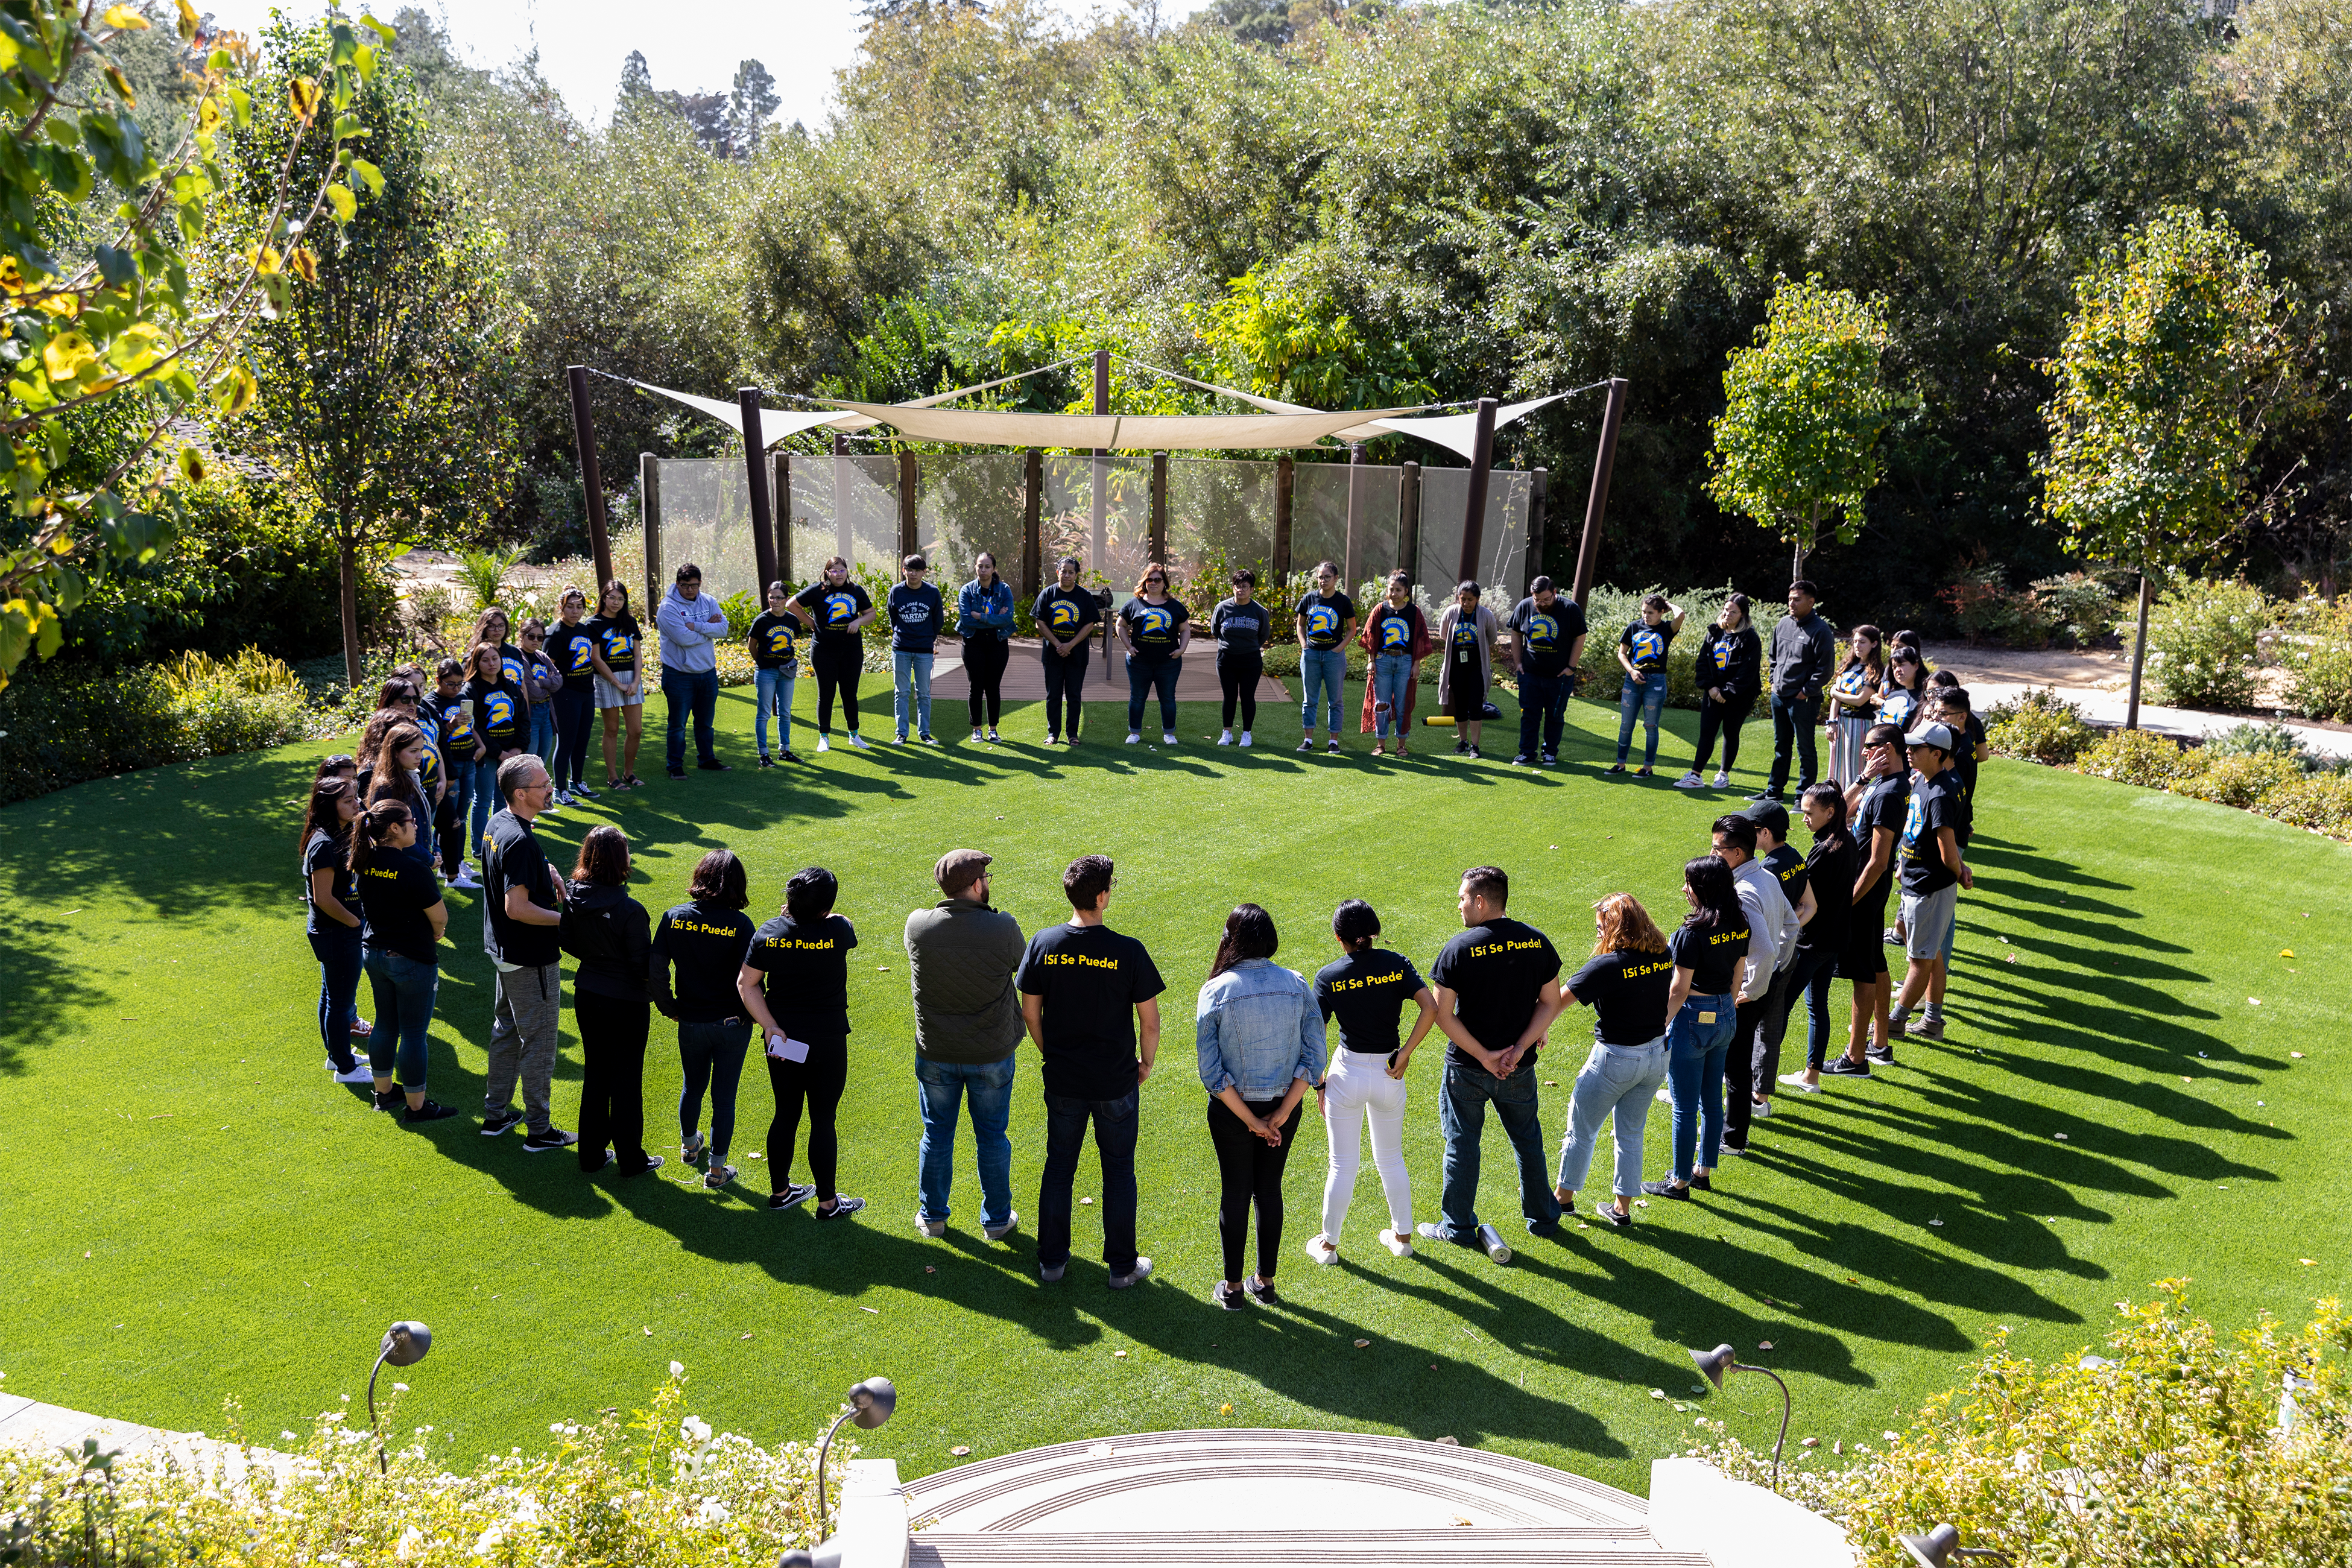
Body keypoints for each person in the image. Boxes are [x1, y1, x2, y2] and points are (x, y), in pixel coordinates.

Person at [1017, 853, 1164, 1288]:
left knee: (1059, 1166)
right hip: (1116, 1080)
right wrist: (1146, 1064)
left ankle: (1052, 1263)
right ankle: (1122, 1268)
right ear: (1101, 897)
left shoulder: (1043, 943)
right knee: (1119, 1170)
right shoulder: (1128, 950)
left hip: (1064, 1078)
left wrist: (1051, 1052)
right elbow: (1150, 1022)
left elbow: (1030, 1013)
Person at [1418, 866, 1567, 1259]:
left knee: (1461, 1145)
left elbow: (1442, 1015)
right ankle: (1543, 1219)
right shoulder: (1537, 943)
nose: (1459, 904)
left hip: (1467, 1070)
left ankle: (1458, 1227)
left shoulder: (1457, 949)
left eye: (1463, 898)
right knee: (1528, 1141)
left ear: (1481, 901)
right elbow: (1550, 1003)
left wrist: (1484, 1056)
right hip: (1519, 1068)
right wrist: (1519, 1049)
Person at [1195, 903, 1324, 1308]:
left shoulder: (1216, 990)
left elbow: (1211, 1073)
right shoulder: (1296, 983)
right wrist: (1280, 1116)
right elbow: (1315, 1057)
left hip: (1233, 1113)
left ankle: (1233, 1289)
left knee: (1235, 1193)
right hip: (1285, 1106)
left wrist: (1251, 1120)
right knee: (1268, 1191)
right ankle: (1265, 1282)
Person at [906, 849, 1026, 1241]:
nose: (988, 885)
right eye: (986, 880)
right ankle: (996, 1220)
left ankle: (934, 1217)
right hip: (991, 1054)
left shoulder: (918, 925)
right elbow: (1022, 969)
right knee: (992, 1136)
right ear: (976, 885)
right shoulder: (1003, 927)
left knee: (936, 1135)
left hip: (936, 1053)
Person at [1307, 899, 1435, 1263]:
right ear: (1374, 932)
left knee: (1341, 1163)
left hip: (1346, 1075)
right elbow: (1431, 1007)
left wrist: (1319, 1084)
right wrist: (1406, 1052)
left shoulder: (1329, 976)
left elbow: (1314, 1035)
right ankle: (1403, 1239)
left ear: (1338, 937)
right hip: (1389, 1073)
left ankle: (1328, 1246)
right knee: (1392, 1158)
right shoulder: (1396, 964)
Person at [739, 866, 865, 1218]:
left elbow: (746, 984)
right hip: (827, 1040)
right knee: (823, 1118)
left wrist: (768, 1025)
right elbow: (843, 920)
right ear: (825, 907)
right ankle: (828, 1203)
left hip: (783, 1040)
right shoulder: (838, 930)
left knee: (786, 1113)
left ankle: (780, 1193)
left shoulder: (768, 933)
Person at [1551, 893, 1675, 1228]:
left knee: (1581, 1131)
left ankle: (1563, 1200)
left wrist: (1535, 1032)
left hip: (1616, 1059)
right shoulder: (1663, 954)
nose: (1596, 934)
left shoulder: (1608, 966)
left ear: (1616, 928)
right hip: (1656, 1056)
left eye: (1600, 928)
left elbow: (1555, 1003)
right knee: (1632, 1133)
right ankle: (1622, 1209)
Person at [479, 753, 577, 1152]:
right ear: (521, 793)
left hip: (501, 950)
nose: (551, 788)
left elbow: (516, 868)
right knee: (539, 1042)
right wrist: (567, 922)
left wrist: (547, 867)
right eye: (543, 785)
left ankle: (495, 1114)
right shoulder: (519, 840)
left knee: (506, 1031)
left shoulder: (499, 822)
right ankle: (539, 1129)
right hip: (528, 957)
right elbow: (517, 908)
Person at [1640, 855, 1750, 1201]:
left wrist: (1660, 1026)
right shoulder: (1740, 922)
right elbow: (1738, 974)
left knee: (1684, 1106)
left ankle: (1679, 1182)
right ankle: (1703, 1171)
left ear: (1704, 888)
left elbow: (1678, 989)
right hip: (1726, 1015)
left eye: (1689, 883)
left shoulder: (1691, 933)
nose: (1684, 889)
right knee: (1711, 1101)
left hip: (1692, 1017)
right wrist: (1725, 1010)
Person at [560, 824, 663, 1177]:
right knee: (626, 1080)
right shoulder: (631, 909)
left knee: (597, 1075)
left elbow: (566, 940)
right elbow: (640, 965)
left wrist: (596, 958)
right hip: (626, 1003)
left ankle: (590, 1156)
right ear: (621, 860)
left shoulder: (573, 895)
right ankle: (631, 1160)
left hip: (588, 994)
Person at [654, 849, 759, 1188]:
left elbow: (656, 970)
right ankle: (716, 1172)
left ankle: (688, 1147)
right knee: (724, 1097)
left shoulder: (674, 917)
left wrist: (668, 1006)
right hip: (732, 1025)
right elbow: (754, 980)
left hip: (691, 1021)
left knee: (692, 1086)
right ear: (737, 885)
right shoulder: (741, 925)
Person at [351, 799, 456, 1121]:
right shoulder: (413, 868)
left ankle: (384, 1095)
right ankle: (417, 1107)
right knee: (413, 1033)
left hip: (375, 955)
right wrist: (436, 932)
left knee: (385, 1023)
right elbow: (440, 917)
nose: (415, 826)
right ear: (395, 828)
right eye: (411, 821)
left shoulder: (363, 862)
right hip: (411, 958)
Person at [1711, 814, 1796, 1159]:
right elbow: (1791, 925)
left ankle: (1733, 1139)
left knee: (1735, 1065)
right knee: (1737, 1062)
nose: (1713, 854)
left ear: (1737, 853)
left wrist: (1753, 987)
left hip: (1749, 991)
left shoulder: (1742, 892)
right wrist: (1778, 969)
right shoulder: (1766, 877)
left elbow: (1763, 946)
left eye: (1717, 848)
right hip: (1768, 981)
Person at [1887, 719, 1972, 1042]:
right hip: (1916, 879)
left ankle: (1896, 1022)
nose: (1908, 752)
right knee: (1931, 950)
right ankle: (1933, 1021)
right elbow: (1918, 833)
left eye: (1916, 748)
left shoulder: (1940, 793)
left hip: (1928, 886)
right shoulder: (1925, 779)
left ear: (1936, 753)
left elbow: (1947, 851)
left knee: (1919, 959)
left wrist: (1959, 871)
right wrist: (1903, 862)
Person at [1834, 722, 1911, 1073]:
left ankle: (1855, 1057)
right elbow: (1837, 812)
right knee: (1875, 961)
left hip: (1863, 894)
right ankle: (1879, 1044)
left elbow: (1879, 861)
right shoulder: (1881, 784)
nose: (1863, 751)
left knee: (1861, 972)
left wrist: (1847, 900)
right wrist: (1863, 778)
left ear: (1889, 749)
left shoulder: (1890, 793)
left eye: (1869, 746)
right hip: (1867, 893)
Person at [1777, 783, 1860, 1093]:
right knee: (1817, 1005)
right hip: (1835, 940)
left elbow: (1804, 896)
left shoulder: (1825, 850)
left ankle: (1759, 1080)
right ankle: (1811, 1076)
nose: (1803, 817)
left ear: (1830, 812)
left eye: (1809, 813)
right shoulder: (1847, 842)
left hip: (1812, 943)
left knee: (1779, 1007)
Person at [1740, 800, 1818, 1123]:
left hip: (1764, 963)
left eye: (1751, 830)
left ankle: (1735, 1093)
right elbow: (1810, 906)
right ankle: (1762, 1099)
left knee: (1741, 1032)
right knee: (1771, 1031)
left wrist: (1772, 950)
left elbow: (1769, 922)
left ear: (1765, 833)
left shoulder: (1765, 871)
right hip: (1788, 959)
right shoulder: (1797, 858)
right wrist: (1787, 943)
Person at [299, 776, 376, 1085]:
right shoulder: (323, 844)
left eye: (356, 797)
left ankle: (336, 1056)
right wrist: (356, 923)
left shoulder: (343, 833)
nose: (357, 803)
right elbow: (324, 898)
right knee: (340, 1002)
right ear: (329, 806)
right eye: (348, 800)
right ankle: (345, 1068)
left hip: (341, 930)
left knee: (332, 995)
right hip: (338, 932)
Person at [1760, 580, 1835, 803]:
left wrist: (1805, 691)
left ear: (1811, 602)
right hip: (1779, 696)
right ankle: (1774, 792)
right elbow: (1774, 657)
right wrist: (1774, 681)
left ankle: (1804, 797)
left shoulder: (1821, 630)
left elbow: (1825, 669)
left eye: (1797, 599)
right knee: (1781, 746)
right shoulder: (1783, 623)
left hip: (1803, 700)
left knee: (1805, 749)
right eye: (1790, 598)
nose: (1791, 603)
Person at [656, 561, 732, 779]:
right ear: (677, 583)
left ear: (700, 583)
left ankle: (707, 759)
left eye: (694, 585)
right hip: (679, 675)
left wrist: (697, 626)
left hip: (707, 673)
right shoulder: (668, 608)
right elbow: (683, 638)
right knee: (678, 724)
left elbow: (724, 629)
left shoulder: (709, 601)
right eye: (685, 585)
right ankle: (675, 766)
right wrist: (709, 628)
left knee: (705, 722)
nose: (690, 589)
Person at [792, 556, 876, 753]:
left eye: (842, 570)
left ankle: (854, 735)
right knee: (827, 694)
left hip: (852, 651)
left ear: (847, 571)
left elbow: (871, 614)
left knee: (850, 694)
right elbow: (791, 605)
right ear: (827, 573)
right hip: (824, 651)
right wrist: (811, 623)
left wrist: (858, 622)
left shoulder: (856, 591)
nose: (839, 574)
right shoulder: (817, 590)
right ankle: (824, 737)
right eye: (834, 571)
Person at [1678, 594, 1762, 789]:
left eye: (1733, 611)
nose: (1728, 614)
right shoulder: (1714, 632)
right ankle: (1695, 776)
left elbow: (1748, 671)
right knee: (1707, 732)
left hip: (1739, 696)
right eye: (1726, 610)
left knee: (1730, 733)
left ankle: (1723, 775)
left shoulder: (1750, 638)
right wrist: (1711, 687)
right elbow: (1702, 662)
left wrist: (1727, 692)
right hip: (1712, 692)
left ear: (1743, 615)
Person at [1509, 575, 1588, 768]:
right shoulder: (1525, 606)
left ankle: (1550, 752)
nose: (1542, 603)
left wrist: (1571, 667)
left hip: (1559, 676)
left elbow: (1580, 637)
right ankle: (1527, 753)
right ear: (1532, 595)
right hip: (1530, 674)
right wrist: (1518, 662)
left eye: (1546, 599)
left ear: (1555, 593)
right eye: (1538, 600)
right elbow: (1516, 633)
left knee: (1555, 715)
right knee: (1529, 714)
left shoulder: (1570, 609)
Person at [461, 642, 530, 855]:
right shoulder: (469, 689)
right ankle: (481, 848)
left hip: (512, 753)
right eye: (485, 660)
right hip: (487, 755)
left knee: (505, 799)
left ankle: (501, 842)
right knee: (483, 800)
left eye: (495, 659)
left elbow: (524, 719)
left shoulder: (511, 685)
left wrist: (519, 748)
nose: (491, 663)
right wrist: (499, 753)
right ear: (476, 663)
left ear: (501, 660)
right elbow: (471, 726)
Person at [1359, 571, 1432, 757]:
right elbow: (1371, 637)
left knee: (1402, 705)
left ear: (1406, 591)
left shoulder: (1414, 612)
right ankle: (1380, 744)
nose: (1394, 593)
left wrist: (1416, 664)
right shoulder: (1380, 610)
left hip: (1405, 661)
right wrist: (1371, 661)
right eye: (1391, 589)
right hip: (1383, 661)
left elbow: (1420, 639)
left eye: (1399, 590)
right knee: (1382, 704)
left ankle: (1401, 744)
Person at [1610, 593, 1684, 775]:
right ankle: (1620, 764)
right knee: (1626, 725)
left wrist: (1668, 605)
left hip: (1656, 683)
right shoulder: (1634, 627)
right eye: (1644, 611)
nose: (1646, 616)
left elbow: (1681, 615)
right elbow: (1622, 654)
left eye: (1651, 612)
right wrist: (1632, 671)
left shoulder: (1667, 628)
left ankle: (1647, 767)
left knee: (1650, 726)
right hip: (1632, 680)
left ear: (1661, 612)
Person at [1117, 564, 1190, 745]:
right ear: (1144, 582)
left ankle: (1169, 734)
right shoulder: (1134, 603)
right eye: (1150, 580)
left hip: (1169, 662)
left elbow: (1185, 629)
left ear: (1165, 583)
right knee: (1137, 697)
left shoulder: (1175, 606)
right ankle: (1134, 733)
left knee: (1167, 698)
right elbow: (1120, 625)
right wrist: (1129, 647)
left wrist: (1182, 649)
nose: (1154, 583)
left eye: (1158, 580)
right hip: (1139, 661)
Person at [585, 579, 646, 790]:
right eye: (612, 597)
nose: (616, 602)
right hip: (607, 679)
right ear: (603, 598)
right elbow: (595, 658)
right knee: (612, 730)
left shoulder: (629, 622)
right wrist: (616, 683)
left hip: (632, 679)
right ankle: (613, 777)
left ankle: (628, 772)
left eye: (621, 599)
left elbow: (637, 654)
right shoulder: (593, 624)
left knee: (636, 730)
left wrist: (636, 681)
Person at [1033, 556, 1099, 745]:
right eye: (1064, 571)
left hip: (1077, 655)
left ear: (1077, 575)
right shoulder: (1047, 594)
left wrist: (1070, 645)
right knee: (1053, 696)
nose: (1067, 575)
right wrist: (1057, 644)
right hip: (1052, 655)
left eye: (1071, 572)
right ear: (1057, 572)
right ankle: (1053, 734)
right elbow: (1040, 623)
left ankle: (1073, 735)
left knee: (1074, 696)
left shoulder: (1084, 596)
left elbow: (1089, 624)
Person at [1294, 560, 1356, 754]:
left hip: (1333, 657)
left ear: (1336, 579)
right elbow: (1300, 625)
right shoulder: (1309, 599)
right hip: (1311, 655)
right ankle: (1308, 739)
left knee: (1335, 700)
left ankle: (1334, 741)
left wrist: (1338, 649)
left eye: (1327, 577)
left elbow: (1352, 629)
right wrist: (1304, 645)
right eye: (1320, 577)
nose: (1323, 581)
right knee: (1309, 699)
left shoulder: (1343, 601)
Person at [546, 588, 602, 803]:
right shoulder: (556, 633)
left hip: (587, 691)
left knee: (583, 740)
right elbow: (547, 666)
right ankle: (561, 789)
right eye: (570, 606)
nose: (575, 611)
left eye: (579, 607)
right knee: (567, 741)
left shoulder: (584, 629)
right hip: (566, 693)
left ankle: (577, 782)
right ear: (561, 606)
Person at [429, 659, 481, 886]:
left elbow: (471, 727)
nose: (457, 689)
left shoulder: (462, 699)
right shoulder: (430, 703)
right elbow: (435, 738)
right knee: (449, 820)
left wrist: (481, 745)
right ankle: (448, 865)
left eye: (461, 684)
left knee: (462, 816)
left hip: (469, 761)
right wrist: (449, 725)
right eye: (451, 684)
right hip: (449, 766)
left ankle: (457, 861)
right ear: (438, 680)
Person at [1435, 582, 1500, 757]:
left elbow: (1492, 638)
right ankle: (1463, 742)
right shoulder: (1451, 613)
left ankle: (1475, 746)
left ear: (1477, 599)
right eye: (1462, 599)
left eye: (1470, 600)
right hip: (1456, 667)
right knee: (1461, 707)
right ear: (1458, 598)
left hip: (1476, 668)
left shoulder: (1486, 615)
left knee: (1476, 706)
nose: (1466, 603)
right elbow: (1444, 635)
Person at [887, 553, 946, 744]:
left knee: (924, 693)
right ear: (904, 570)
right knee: (902, 692)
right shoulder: (896, 592)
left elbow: (938, 621)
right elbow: (893, 618)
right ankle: (902, 733)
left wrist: (927, 637)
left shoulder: (932, 592)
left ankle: (925, 733)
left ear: (924, 572)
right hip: (901, 649)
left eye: (917, 570)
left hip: (924, 650)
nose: (913, 574)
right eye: (909, 570)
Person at [958, 552, 1016, 743]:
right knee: (976, 686)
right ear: (975, 567)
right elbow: (966, 619)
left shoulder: (1004, 590)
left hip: (997, 642)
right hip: (973, 642)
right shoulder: (967, 591)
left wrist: (980, 617)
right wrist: (995, 619)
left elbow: (1008, 618)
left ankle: (993, 730)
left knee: (993, 687)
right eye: (980, 566)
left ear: (994, 569)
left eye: (987, 567)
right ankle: (976, 730)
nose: (983, 570)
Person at [1212, 567, 1272, 747]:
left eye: (1245, 586)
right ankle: (1227, 732)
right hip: (1226, 660)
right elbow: (1216, 631)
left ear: (1252, 589)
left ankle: (1247, 733)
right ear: (1233, 587)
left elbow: (1263, 635)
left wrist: (1249, 647)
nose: (1241, 590)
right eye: (1238, 586)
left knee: (1247, 697)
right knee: (1229, 696)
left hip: (1251, 660)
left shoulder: (1259, 611)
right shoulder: (1222, 608)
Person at [365, 721, 437, 872]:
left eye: (421, 750)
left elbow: (423, 823)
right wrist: (429, 859)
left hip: (419, 859)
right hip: (403, 866)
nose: (420, 757)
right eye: (413, 751)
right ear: (395, 752)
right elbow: (395, 836)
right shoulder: (387, 787)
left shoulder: (409, 777)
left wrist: (434, 849)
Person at [747, 580, 803, 767]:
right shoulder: (762, 620)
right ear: (768, 599)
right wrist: (763, 664)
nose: (775, 601)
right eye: (772, 597)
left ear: (786, 599)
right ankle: (764, 754)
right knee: (764, 714)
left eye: (779, 598)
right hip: (766, 673)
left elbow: (794, 641)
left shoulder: (792, 620)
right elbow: (751, 646)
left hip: (786, 672)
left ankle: (785, 751)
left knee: (785, 712)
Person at [1824, 624, 1884, 785]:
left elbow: (1860, 700)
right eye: (1855, 641)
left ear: (1874, 644)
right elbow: (1836, 700)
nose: (1857, 645)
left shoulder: (1876, 671)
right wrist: (1832, 722)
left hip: (1860, 725)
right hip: (1840, 724)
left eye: (1862, 642)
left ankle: (1855, 807)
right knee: (1837, 768)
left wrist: (1834, 693)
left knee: (1855, 769)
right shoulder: (1848, 665)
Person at [518, 619, 564, 791]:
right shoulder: (519, 658)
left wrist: (541, 683)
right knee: (528, 764)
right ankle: (523, 805)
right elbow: (531, 690)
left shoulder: (542, 656)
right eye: (531, 636)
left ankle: (537, 802)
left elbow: (559, 681)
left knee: (541, 763)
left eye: (540, 637)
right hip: (532, 713)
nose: (536, 641)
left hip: (546, 712)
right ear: (521, 636)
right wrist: (548, 684)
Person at [1879, 646, 1930, 734]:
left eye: (1901, 665)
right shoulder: (1893, 692)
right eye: (1894, 667)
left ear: (1916, 666)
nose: (1897, 670)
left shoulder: (1925, 696)